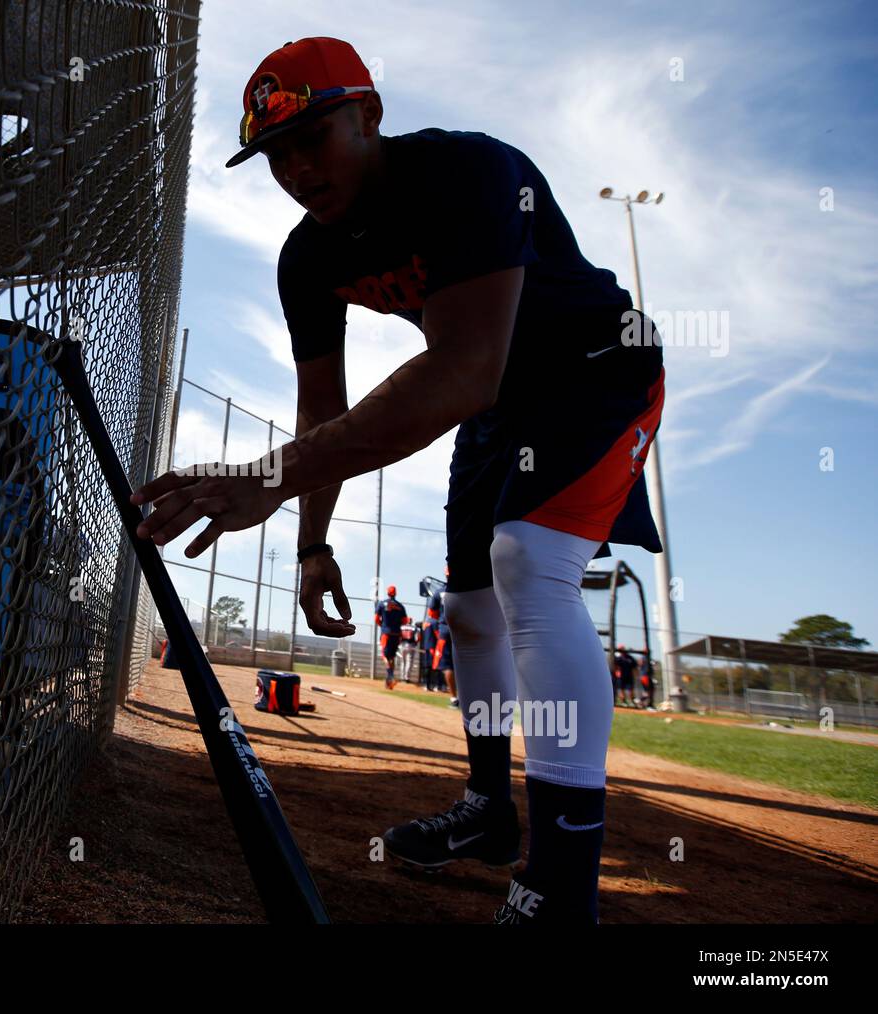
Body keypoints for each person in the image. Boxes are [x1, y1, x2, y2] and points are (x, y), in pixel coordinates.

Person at [127, 37, 665, 924]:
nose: (297, 168)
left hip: (596, 367)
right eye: (276, 155)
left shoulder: (472, 174)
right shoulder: (307, 258)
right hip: (500, 403)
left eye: (314, 136)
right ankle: (491, 810)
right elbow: (321, 411)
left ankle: (563, 883)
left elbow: (462, 369)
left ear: (369, 114)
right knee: (466, 611)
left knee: (530, 562)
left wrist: (268, 476)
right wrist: (310, 541)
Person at [374, 584, 408, 688]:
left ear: (388, 592)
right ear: (395, 593)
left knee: (384, 655)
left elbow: (376, 619)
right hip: (396, 633)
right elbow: (405, 621)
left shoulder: (382, 604)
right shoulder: (400, 606)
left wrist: (383, 626)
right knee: (392, 657)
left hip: (386, 633)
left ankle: (391, 676)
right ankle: (389, 683)